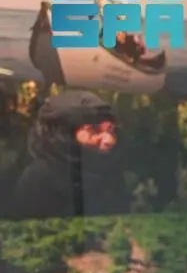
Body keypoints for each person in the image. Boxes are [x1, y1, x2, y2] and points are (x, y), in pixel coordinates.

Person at [5, 89, 129, 221]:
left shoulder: (110, 170)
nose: (110, 140)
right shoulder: (39, 176)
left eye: (111, 130)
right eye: (95, 130)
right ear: (66, 132)